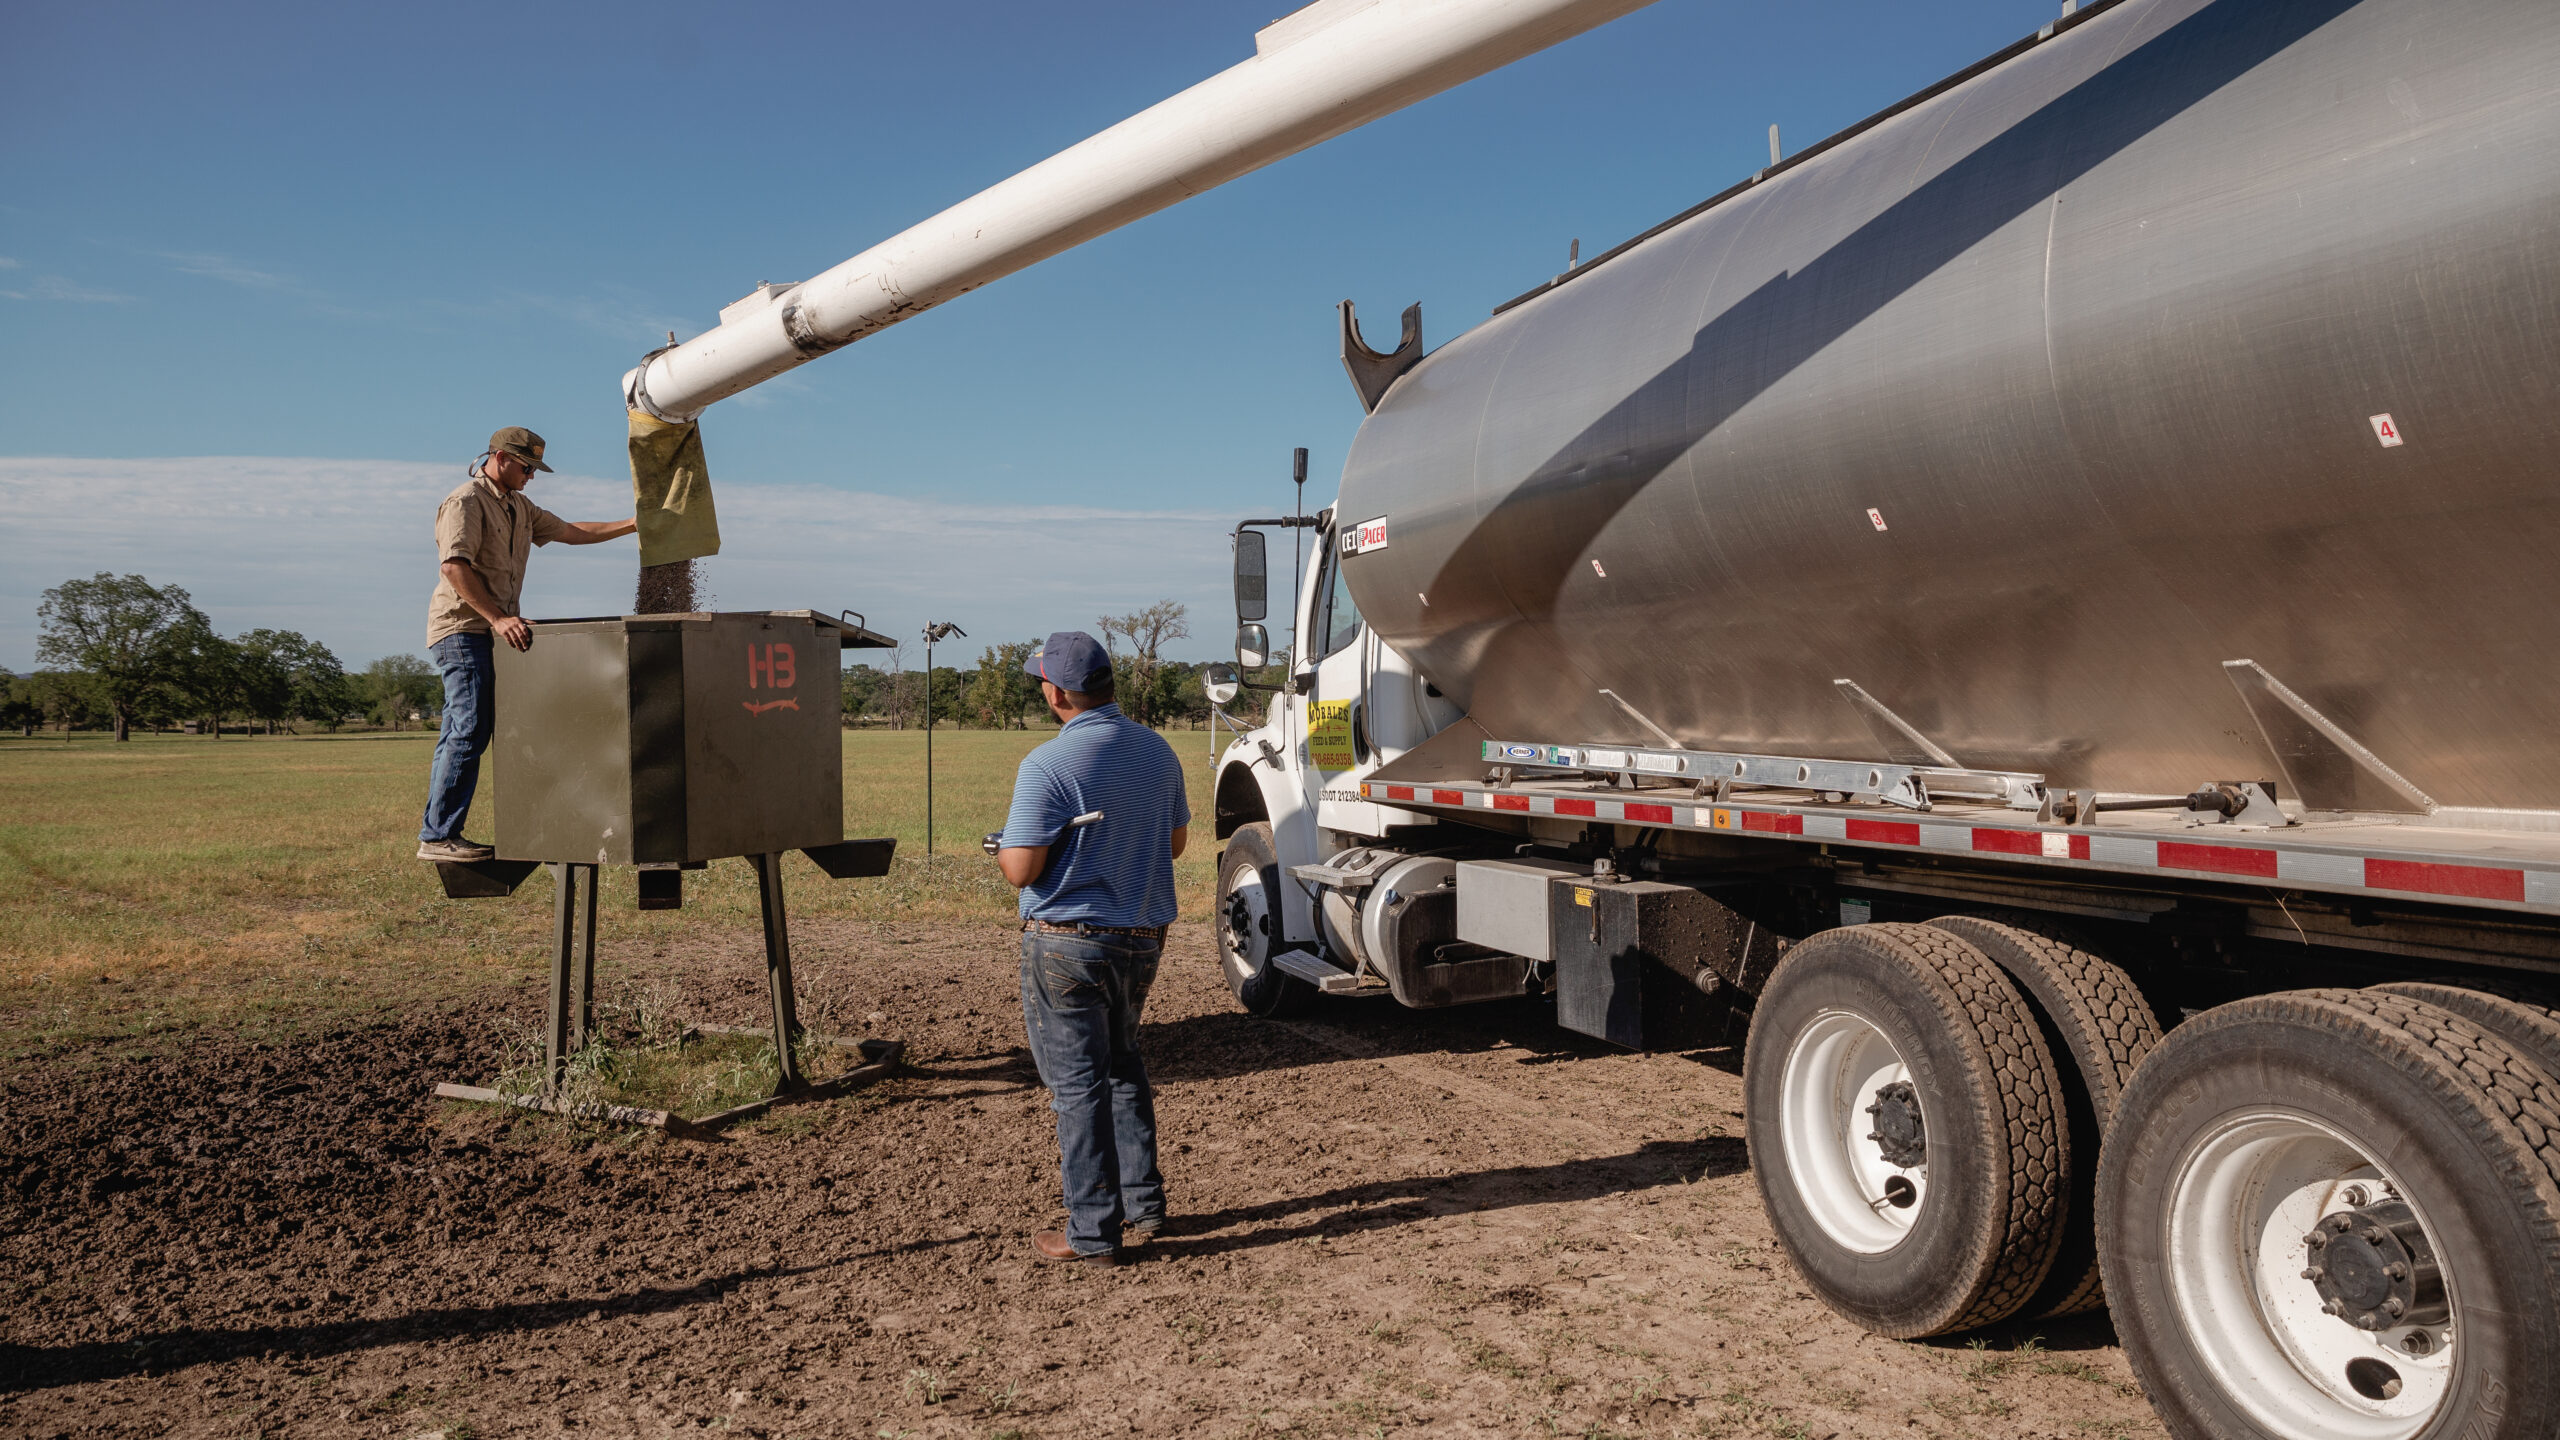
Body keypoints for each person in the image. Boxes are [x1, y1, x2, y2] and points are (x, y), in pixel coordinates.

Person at [993, 631, 1190, 1263]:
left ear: (1056, 691)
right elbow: (1176, 843)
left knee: (1077, 1085)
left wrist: (1003, 847)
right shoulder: (1159, 752)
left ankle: (1093, 1233)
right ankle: (1145, 1206)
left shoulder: (1047, 765)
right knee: (1124, 1063)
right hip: (1142, 937)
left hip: (1068, 943)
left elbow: (1023, 870)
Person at [417, 427, 636, 863]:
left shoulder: (521, 506)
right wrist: (498, 618)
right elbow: (453, 567)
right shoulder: (465, 501)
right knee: (469, 726)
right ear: (498, 457)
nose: (531, 476)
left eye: (534, 469)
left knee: (480, 728)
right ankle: (438, 837)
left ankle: (455, 832)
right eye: (527, 467)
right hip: (463, 629)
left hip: (493, 631)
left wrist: (633, 524)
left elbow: (574, 531)